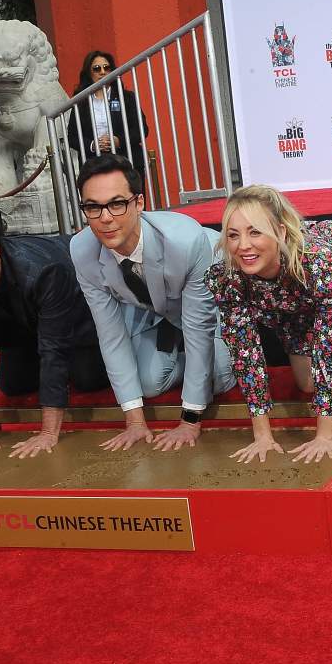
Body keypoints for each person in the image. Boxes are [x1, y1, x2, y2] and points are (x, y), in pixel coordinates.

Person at [70, 154, 236, 452]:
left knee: (218, 378)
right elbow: (110, 333)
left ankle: (223, 354)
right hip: (159, 312)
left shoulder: (185, 240)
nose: (105, 218)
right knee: (147, 385)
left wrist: (189, 420)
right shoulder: (82, 249)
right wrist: (134, 422)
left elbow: (198, 326)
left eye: (117, 204)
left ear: (140, 203)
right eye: (93, 207)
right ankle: (186, 355)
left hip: (216, 302)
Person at [206, 185, 332, 464]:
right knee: (307, 385)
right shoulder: (228, 278)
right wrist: (262, 436)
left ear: (280, 232)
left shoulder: (321, 266)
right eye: (233, 235)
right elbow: (245, 353)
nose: (243, 245)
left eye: (255, 231)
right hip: (292, 312)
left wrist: (324, 437)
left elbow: (327, 348)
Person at [0, 206, 108, 461]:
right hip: (20, 323)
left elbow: (53, 349)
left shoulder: (44, 270)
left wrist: (48, 433)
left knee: (86, 378)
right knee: (13, 384)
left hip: (77, 312)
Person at [66, 50, 149, 176]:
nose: (103, 72)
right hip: (94, 165)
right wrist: (93, 145)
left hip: (127, 161)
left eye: (107, 68)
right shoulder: (80, 102)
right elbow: (72, 137)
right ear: (89, 73)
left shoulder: (126, 97)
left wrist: (119, 141)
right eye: (97, 69)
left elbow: (142, 129)